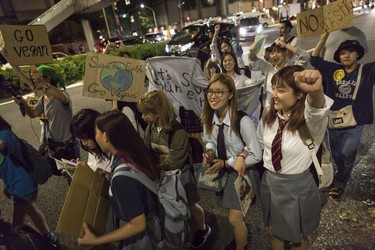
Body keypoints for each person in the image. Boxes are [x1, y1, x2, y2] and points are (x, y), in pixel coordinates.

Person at [257, 66, 333, 249]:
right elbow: (262, 144)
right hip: (270, 182)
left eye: (281, 90)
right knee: (273, 231)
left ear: (300, 94)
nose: (274, 94)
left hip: (296, 186)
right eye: (274, 88)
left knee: (297, 237)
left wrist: (316, 91)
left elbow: (316, 109)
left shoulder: (310, 122)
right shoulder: (270, 117)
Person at [137, 90, 211, 249]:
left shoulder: (178, 132)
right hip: (163, 175)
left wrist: (155, 161)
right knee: (172, 206)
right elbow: (146, 150)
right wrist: (161, 158)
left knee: (190, 204)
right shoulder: (151, 128)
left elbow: (174, 162)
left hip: (181, 176)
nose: (142, 117)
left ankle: (203, 228)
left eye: (146, 114)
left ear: (158, 113)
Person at [77, 110, 161, 249]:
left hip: (142, 240)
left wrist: (96, 241)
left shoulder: (122, 179)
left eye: (96, 133)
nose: (95, 137)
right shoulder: (133, 152)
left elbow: (138, 224)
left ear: (105, 136)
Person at [201, 73, 262, 250]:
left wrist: (228, 162)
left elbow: (256, 154)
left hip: (242, 172)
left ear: (231, 94)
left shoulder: (242, 120)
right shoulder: (209, 117)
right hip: (223, 170)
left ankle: (240, 246)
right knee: (231, 214)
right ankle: (239, 239)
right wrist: (210, 151)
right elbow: (209, 140)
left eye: (220, 92)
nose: (213, 95)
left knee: (234, 218)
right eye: (210, 91)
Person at [310, 32, 375, 199]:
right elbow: (315, 59)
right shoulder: (333, 69)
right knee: (337, 153)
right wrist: (322, 39)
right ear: (339, 56)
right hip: (334, 118)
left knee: (347, 153)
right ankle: (341, 171)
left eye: (350, 52)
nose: (346, 55)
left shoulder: (366, 70)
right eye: (343, 53)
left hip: (355, 120)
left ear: (357, 54)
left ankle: (340, 182)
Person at [0, 115, 58, 244]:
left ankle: (42, 243)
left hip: (24, 186)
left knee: (16, 227)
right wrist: (6, 185)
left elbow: (2, 145)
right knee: (31, 210)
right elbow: (5, 167)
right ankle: (48, 235)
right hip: (16, 186)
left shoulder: (5, 135)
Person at [13, 65, 79, 175]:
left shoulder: (62, 94)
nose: (35, 81)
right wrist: (23, 103)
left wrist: (43, 83)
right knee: (62, 172)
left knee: (74, 176)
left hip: (68, 145)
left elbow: (63, 98)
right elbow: (33, 113)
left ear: (48, 78)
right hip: (55, 145)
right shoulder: (43, 98)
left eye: (38, 78)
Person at [249, 41, 310, 109]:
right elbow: (253, 59)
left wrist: (286, 45)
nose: (275, 55)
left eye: (278, 52)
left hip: (287, 107)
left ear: (285, 53)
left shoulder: (292, 69)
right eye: (272, 53)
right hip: (268, 106)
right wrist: (251, 51)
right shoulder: (268, 68)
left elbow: (305, 56)